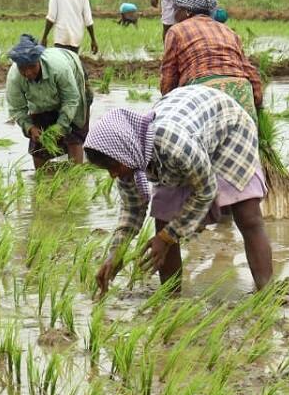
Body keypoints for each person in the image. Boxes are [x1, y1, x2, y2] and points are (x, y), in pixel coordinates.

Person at [87, 85, 273, 295]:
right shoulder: (129, 157)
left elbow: (206, 190)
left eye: (113, 167)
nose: (113, 175)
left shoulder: (175, 146)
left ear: (125, 150)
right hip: (188, 132)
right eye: (108, 170)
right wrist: (115, 254)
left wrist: (167, 238)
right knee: (164, 217)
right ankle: (170, 298)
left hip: (228, 129)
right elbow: (132, 211)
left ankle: (265, 293)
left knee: (247, 215)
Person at [160, 0, 262, 115]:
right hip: (241, 90)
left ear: (187, 12)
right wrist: (257, 105)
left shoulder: (176, 31)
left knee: (200, 135)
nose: (174, 15)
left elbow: (169, 75)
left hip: (203, 92)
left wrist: (168, 106)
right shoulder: (228, 31)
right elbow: (249, 70)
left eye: (176, 9)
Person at [6, 34, 90, 168]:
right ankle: (42, 180)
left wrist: (61, 126)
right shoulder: (14, 78)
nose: (28, 73)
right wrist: (30, 128)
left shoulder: (59, 69)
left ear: (39, 60)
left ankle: (76, 176)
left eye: (32, 67)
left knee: (73, 134)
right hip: (41, 99)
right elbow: (16, 109)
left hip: (74, 77)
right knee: (38, 144)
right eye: (23, 69)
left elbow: (71, 99)